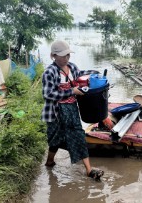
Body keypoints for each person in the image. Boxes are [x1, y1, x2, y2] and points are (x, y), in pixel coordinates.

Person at [41, 40, 104, 181]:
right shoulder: (49, 73)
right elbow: (48, 94)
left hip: (71, 110)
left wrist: (94, 74)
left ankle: (89, 170)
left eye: (68, 55)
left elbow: (81, 75)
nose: (66, 58)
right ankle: (50, 161)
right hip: (55, 111)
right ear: (53, 56)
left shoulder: (72, 67)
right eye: (63, 56)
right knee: (55, 139)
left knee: (78, 135)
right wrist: (71, 91)